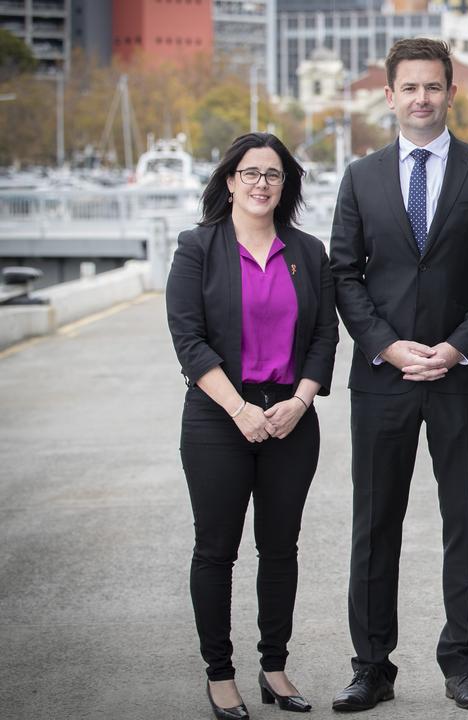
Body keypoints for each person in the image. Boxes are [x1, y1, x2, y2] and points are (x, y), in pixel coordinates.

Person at [328, 38, 468, 712]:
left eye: (434, 87)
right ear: (391, 95)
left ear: (451, 93)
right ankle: (371, 666)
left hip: (461, 377)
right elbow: (344, 274)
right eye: (410, 88)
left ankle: (463, 666)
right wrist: (389, 346)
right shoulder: (361, 177)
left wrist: (458, 346)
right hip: (383, 380)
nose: (422, 99)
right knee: (375, 524)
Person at [166, 132, 338, 719]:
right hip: (219, 417)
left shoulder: (308, 252)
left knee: (280, 548)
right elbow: (188, 340)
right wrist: (239, 409)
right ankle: (220, 674)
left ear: (285, 185)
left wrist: (302, 400)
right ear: (230, 181)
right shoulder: (197, 247)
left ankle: (275, 668)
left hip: (291, 416)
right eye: (250, 173)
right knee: (216, 550)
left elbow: (323, 336)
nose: (261, 183)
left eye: (273, 174)